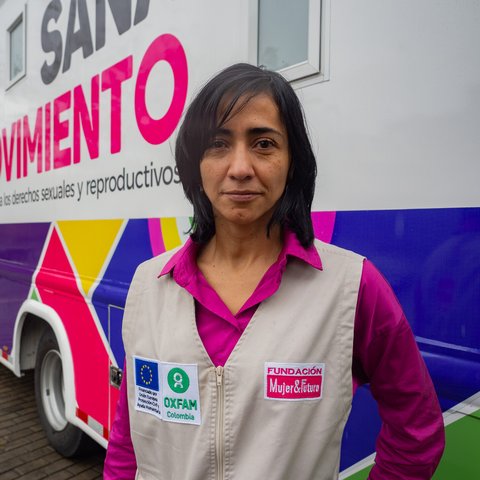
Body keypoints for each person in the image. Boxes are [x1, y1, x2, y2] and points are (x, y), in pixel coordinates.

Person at [104, 63, 445, 479]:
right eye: (218, 144)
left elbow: (417, 432)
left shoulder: (352, 287)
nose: (241, 167)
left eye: (263, 143)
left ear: (292, 161)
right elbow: (129, 436)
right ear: (195, 162)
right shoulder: (148, 285)